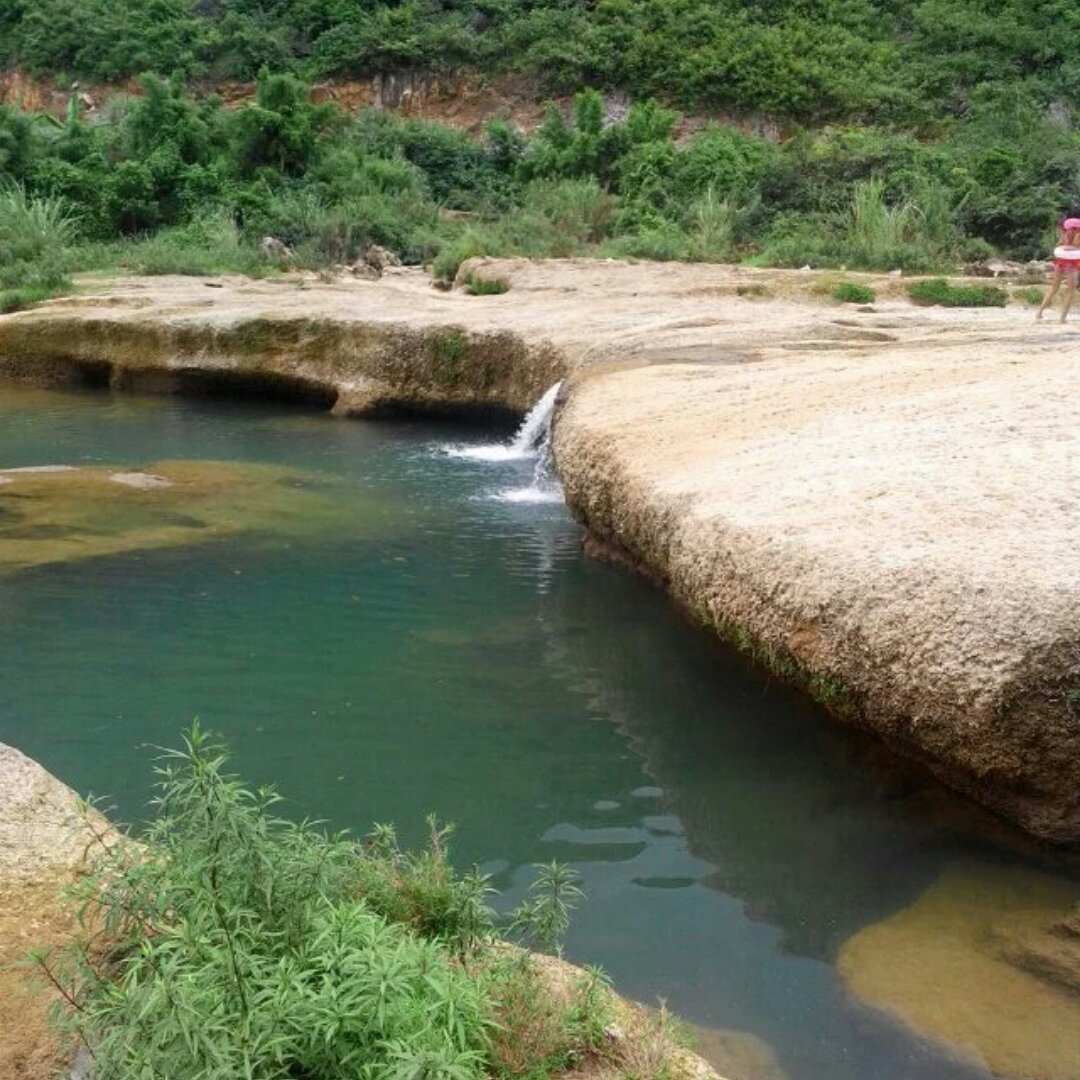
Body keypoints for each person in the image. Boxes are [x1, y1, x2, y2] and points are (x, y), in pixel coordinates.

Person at [1037, 216, 1080, 322]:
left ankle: (1039, 312)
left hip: (1060, 262)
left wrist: (1065, 248)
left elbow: (1058, 246)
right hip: (1072, 263)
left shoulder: (1064, 235)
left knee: (1054, 288)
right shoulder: (1078, 235)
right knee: (1071, 290)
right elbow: (1076, 247)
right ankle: (1062, 318)